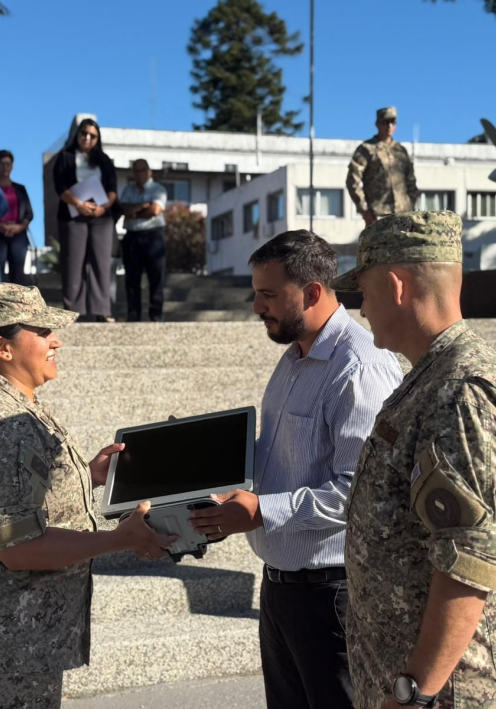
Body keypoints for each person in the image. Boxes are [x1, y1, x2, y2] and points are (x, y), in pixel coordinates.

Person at [332, 211, 496, 709]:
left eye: (363, 291)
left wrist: (415, 692)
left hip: (456, 691)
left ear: (395, 285)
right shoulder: (430, 378)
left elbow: (469, 564)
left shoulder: (461, 393)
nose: (360, 308)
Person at [0, 283, 177, 709]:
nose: (55, 340)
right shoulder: (5, 425)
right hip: (7, 638)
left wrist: (87, 474)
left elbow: (21, 492)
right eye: (42, 332)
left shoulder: (12, 403)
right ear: (2, 347)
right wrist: (122, 538)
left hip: (13, 632)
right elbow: (20, 548)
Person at [189, 230, 402, 709]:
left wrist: (263, 511)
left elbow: (361, 491)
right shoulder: (293, 357)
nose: (255, 307)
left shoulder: (359, 367)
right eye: (256, 293)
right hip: (282, 590)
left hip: (333, 598)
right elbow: (277, 456)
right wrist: (204, 468)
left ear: (311, 293)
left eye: (268, 295)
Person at [52, 118, 117, 322]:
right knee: (74, 262)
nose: (87, 138)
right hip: (73, 216)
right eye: (84, 134)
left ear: (98, 139)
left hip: (100, 217)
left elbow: (113, 190)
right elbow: (60, 187)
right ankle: (73, 311)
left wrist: (103, 208)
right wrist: (78, 203)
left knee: (101, 262)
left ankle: (102, 310)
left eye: (92, 135)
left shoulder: (104, 160)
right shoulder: (65, 157)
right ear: (77, 136)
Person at [346, 107, 419, 227]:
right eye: (386, 122)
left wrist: (410, 204)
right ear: (377, 124)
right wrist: (364, 210)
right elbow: (353, 180)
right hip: (378, 214)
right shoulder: (366, 149)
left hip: (403, 214)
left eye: (393, 122)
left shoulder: (401, 151)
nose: (389, 126)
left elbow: (411, 181)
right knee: (379, 246)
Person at [118, 159, 168, 322]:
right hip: (131, 236)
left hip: (153, 235)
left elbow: (154, 210)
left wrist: (133, 211)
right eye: (136, 171)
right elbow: (122, 209)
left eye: (142, 170)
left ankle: (155, 315)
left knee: (156, 278)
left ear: (149, 172)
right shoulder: (128, 189)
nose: (139, 174)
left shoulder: (158, 189)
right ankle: (133, 315)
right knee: (132, 279)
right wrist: (142, 206)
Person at [0, 149, 33, 286]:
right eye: (2, 163)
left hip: (18, 235)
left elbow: (29, 213)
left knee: (18, 272)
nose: (5, 167)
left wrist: (20, 227)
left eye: (8, 164)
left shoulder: (20, 189)